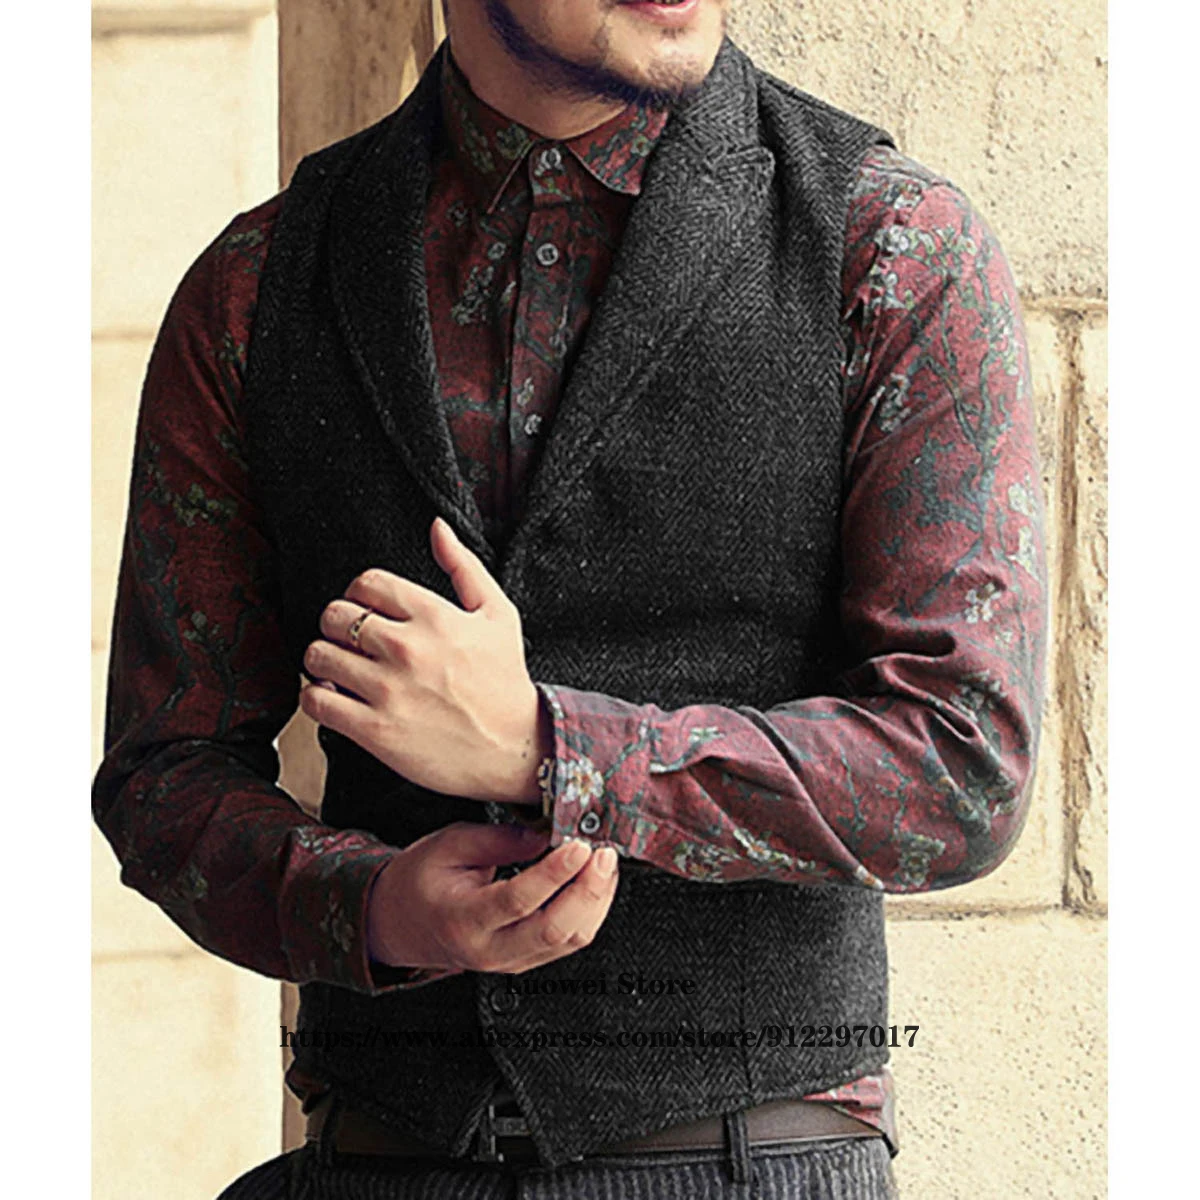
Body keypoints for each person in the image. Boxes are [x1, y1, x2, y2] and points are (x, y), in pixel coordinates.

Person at [93, 1, 1047, 1196]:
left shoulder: (890, 247)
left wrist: (553, 750)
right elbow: (162, 774)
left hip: (750, 1163)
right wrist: (371, 908)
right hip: (380, 1160)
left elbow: (964, 761)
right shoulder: (258, 284)